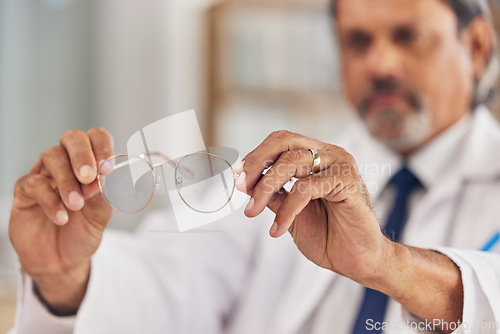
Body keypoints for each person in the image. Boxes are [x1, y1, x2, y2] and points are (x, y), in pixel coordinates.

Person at [7, 0, 500, 333]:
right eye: (357, 42)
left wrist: (388, 266)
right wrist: (65, 277)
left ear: (477, 46)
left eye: (408, 36)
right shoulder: (285, 172)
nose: (380, 64)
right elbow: (170, 279)